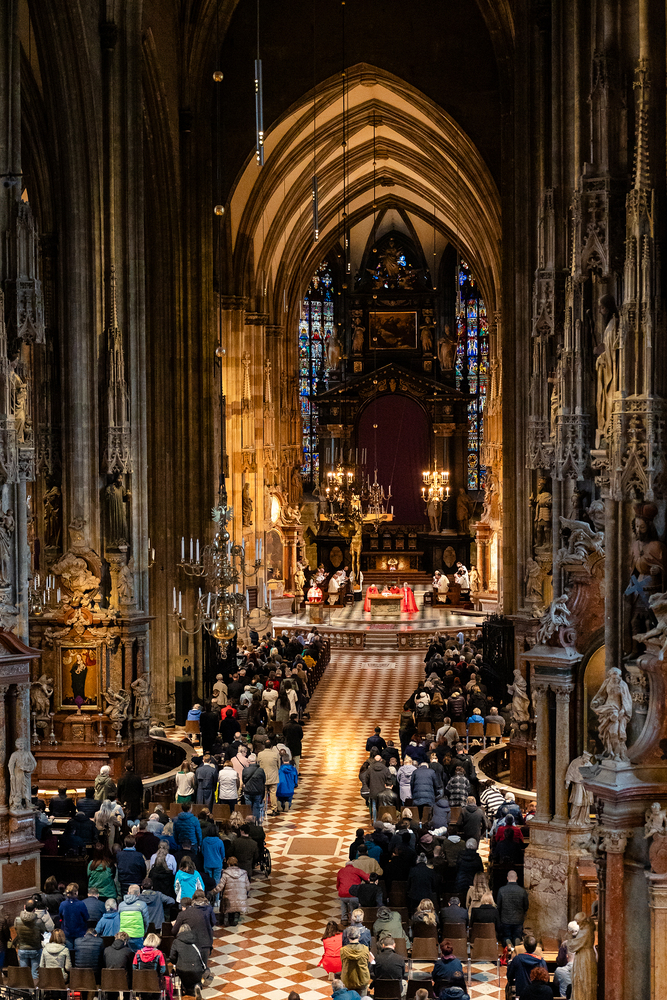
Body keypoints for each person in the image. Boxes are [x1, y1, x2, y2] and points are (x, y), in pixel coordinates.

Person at [169, 923, 207, 996]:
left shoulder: (176, 942)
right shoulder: (197, 940)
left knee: (184, 978)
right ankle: (197, 986)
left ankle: (186, 989)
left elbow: (172, 957)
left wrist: (175, 963)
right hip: (196, 968)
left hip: (183, 969)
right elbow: (202, 954)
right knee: (195, 978)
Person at [214, 856, 250, 926]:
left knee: (226, 902)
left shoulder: (225, 873)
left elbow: (220, 886)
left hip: (228, 899)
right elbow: (248, 887)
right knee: (237, 903)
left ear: (228, 864)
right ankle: (235, 918)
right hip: (240, 899)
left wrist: (213, 891)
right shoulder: (243, 873)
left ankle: (226, 919)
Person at [15, 899, 47, 977]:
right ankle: (35, 985)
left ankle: (24, 985)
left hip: (22, 948)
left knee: (24, 974)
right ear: (35, 909)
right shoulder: (39, 921)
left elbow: (16, 930)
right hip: (35, 949)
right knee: (35, 973)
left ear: (24, 907)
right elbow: (43, 931)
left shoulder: (17, 920)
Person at [339, 925, 371, 997]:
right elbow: (366, 963)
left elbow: (343, 964)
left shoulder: (343, 950)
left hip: (348, 980)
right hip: (362, 979)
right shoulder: (365, 949)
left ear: (348, 937)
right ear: (359, 936)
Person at [119, 884, 150, 951]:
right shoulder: (142, 905)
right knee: (138, 955)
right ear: (138, 894)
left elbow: (119, 920)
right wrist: (144, 931)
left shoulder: (121, 905)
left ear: (128, 893)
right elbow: (146, 921)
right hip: (138, 934)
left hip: (124, 936)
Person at [59, 883, 90, 950]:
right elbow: (86, 917)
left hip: (67, 933)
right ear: (76, 892)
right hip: (80, 933)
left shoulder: (63, 904)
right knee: (78, 952)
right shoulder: (81, 904)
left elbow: (60, 917)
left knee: (69, 952)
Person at [257, 741, 282, 815]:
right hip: (273, 776)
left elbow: (258, 765)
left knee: (263, 793)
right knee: (273, 793)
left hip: (263, 776)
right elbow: (279, 765)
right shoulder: (275, 754)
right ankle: (274, 809)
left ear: (264, 746)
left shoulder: (260, 754)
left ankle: (263, 808)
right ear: (271, 746)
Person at [241, 753, 266, 820]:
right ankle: (256, 822)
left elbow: (243, 781)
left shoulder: (245, 770)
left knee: (248, 808)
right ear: (256, 761)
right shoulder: (260, 770)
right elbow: (264, 781)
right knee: (256, 808)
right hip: (257, 791)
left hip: (247, 791)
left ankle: (249, 822)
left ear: (248, 761)